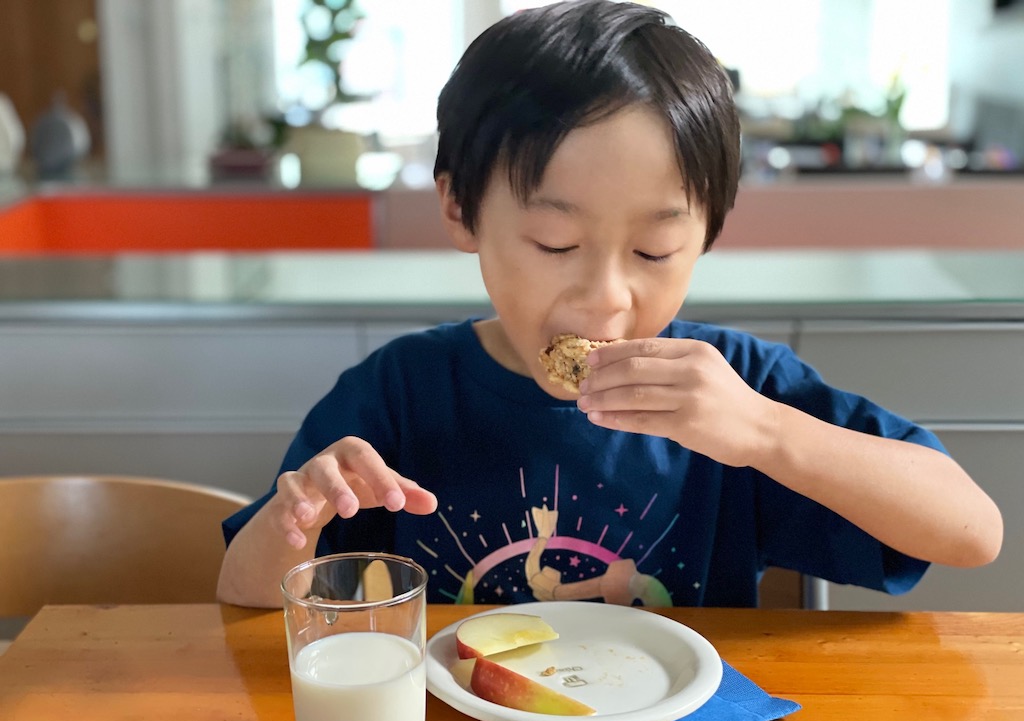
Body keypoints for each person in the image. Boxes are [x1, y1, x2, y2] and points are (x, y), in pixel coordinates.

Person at [216, 0, 1002, 609]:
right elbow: (243, 593)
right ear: (459, 211)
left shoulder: (738, 391)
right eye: (556, 244)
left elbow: (973, 532)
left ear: (709, 235)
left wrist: (765, 431)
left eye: (656, 253)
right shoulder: (399, 395)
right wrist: (302, 518)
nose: (605, 298)